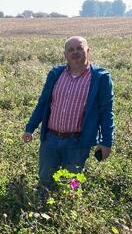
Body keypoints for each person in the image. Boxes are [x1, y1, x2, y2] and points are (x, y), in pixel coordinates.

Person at [22, 36, 114, 196]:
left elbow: (107, 112)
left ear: (88, 50)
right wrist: (30, 128)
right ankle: (43, 212)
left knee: (72, 184)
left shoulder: (100, 78)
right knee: (45, 180)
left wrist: (106, 142)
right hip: (50, 139)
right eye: (71, 49)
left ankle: (68, 212)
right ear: (65, 53)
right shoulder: (56, 74)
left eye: (79, 48)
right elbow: (43, 103)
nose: (75, 52)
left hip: (78, 142)